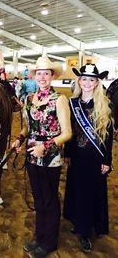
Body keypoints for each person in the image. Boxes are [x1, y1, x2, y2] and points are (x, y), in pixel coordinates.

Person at [12, 55, 72, 258]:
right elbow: (27, 127)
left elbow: (67, 133)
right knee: (38, 199)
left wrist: (44, 146)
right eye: (39, 73)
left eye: (46, 73)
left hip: (51, 157)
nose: (43, 76)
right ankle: (39, 237)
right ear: (34, 76)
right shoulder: (29, 100)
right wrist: (19, 139)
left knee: (49, 199)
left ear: (52, 75)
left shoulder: (59, 99)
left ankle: (49, 242)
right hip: (31, 155)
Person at [63, 63, 113, 253]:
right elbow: (69, 133)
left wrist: (107, 161)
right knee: (77, 190)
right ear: (79, 81)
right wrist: (67, 153)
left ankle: (86, 231)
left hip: (95, 158)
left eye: (91, 79)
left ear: (96, 83)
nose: (87, 83)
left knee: (92, 192)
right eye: (84, 79)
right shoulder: (72, 103)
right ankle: (78, 222)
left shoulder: (105, 105)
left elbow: (108, 137)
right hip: (76, 157)